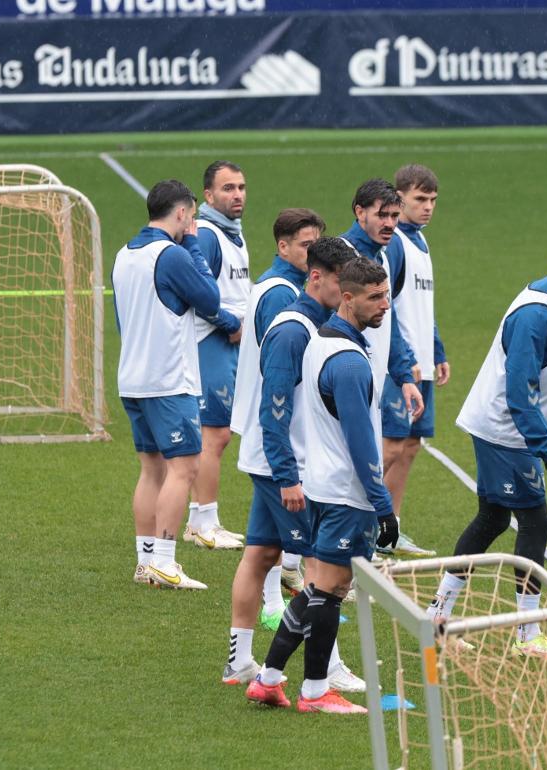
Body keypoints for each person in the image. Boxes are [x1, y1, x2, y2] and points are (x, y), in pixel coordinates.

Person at [428, 228, 547, 659]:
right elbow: (520, 391)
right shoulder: (537, 315)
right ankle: (526, 632)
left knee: (491, 519)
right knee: (536, 522)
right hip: (504, 430)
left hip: (515, 428)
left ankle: (437, 617)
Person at [244, 257, 400, 714]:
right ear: (347, 297)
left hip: (322, 484)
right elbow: (361, 441)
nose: (384, 305)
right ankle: (315, 691)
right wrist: (383, 504)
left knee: (319, 586)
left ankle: (270, 678)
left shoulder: (322, 343)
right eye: (374, 297)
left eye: (386, 294)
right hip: (346, 494)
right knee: (329, 591)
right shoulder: (349, 362)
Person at [223, 236, 365, 694]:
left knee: (261, 554)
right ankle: (328, 671)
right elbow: (274, 409)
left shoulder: (315, 323)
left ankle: (240, 662)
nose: (345, 295)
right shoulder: (292, 330)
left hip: (276, 462)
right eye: (339, 284)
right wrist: (288, 476)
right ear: (316, 275)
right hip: (281, 467)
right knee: (320, 567)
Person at [112, 179, 237, 590]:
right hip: (169, 380)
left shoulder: (124, 255)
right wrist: (195, 245)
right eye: (193, 216)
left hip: (133, 377)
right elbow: (211, 299)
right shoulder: (173, 253)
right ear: (182, 213)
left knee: (151, 470)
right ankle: (165, 562)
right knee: (183, 468)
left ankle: (145, 562)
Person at [231, 208, 326, 603]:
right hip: (277, 437)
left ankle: (271, 609)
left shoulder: (274, 285)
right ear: (282, 246)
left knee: (264, 547)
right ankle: (315, 632)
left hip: (267, 435)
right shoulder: (284, 297)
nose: (313, 253)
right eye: (306, 246)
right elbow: (281, 376)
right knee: (317, 549)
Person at [338, 179, 426, 552]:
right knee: (346, 467)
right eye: (381, 215)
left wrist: (404, 375)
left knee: (367, 461)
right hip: (341, 378)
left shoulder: (391, 254)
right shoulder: (339, 255)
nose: (390, 223)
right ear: (359, 213)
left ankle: (356, 549)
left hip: (373, 380)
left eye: (394, 215)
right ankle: (317, 559)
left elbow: (388, 321)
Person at [382, 164, 450, 556]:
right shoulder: (395, 245)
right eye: (420, 200)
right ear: (399, 198)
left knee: (410, 447)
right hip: (401, 365)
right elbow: (387, 307)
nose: (427, 207)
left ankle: (390, 528)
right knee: (389, 448)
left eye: (432, 201)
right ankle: (365, 523)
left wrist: (437, 350)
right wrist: (404, 359)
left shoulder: (421, 242)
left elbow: (422, 305)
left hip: (422, 362)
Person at [184, 160, 250, 550]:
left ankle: (205, 518)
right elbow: (196, 291)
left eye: (241, 187)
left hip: (229, 344)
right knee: (215, 434)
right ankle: (202, 522)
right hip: (210, 343)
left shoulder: (233, 234)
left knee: (219, 433)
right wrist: (229, 323)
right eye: (228, 188)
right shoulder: (208, 235)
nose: (237, 194)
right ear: (208, 195)